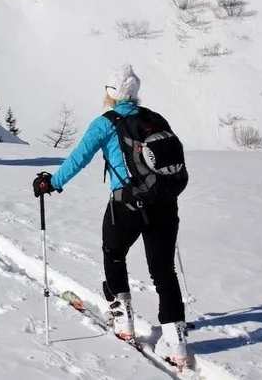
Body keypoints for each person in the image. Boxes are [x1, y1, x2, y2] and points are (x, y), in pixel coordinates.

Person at [31, 64, 188, 368]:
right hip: (164, 203)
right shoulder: (154, 119)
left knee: (113, 253)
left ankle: (123, 320)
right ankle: (177, 342)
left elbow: (79, 158)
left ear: (112, 94)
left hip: (125, 204)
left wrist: (52, 182)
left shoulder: (105, 123)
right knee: (163, 270)